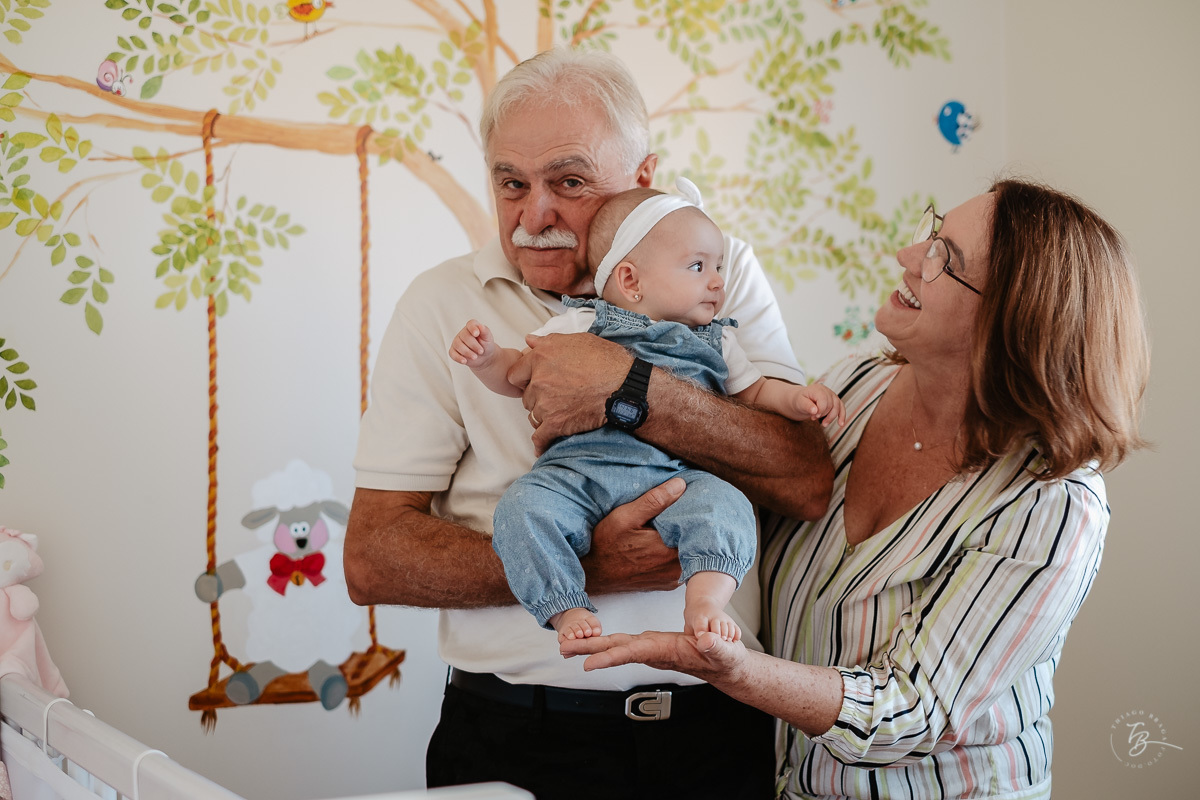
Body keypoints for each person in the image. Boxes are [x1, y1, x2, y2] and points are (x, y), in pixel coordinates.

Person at [344, 47, 834, 800]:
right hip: (518, 735)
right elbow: (373, 558)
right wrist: (592, 568)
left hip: (716, 732)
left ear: (643, 179)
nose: (534, 215)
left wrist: (629, 387)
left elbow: (804, 479)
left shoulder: (714, 268)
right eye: (512, 183)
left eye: (569, 182)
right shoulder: (442, 304)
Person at [561, 179, 1151, 800]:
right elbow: (745, 494)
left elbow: (913, 710)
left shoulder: (1052, 504)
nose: (907, 255)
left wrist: (736, 669)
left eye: (944, 257)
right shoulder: (856, 385)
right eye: (931, 232)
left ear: (1012, 320)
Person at [450, 183, 844, 645]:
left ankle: (705, 600)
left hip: (675, 479)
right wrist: (487, 359)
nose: (718, 282)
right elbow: (518, 372)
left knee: (726, 506)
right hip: (577, 476)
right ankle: (563, 603)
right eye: (698, 267)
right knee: (521, 508)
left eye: (718, 267)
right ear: (631, 281)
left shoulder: (718, 340)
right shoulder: (583, 323)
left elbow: (756, 392)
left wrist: (797, 400)